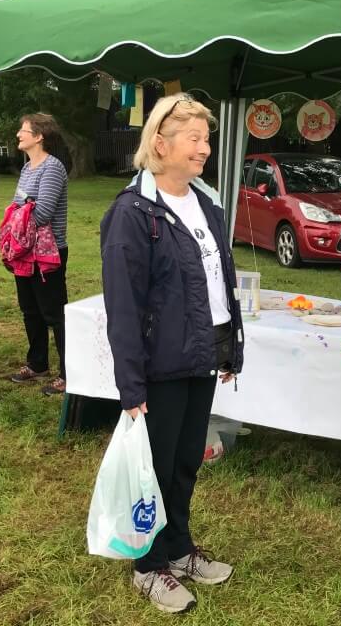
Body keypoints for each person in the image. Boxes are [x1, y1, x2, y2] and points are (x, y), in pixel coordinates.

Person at [100, 93, 244, 614]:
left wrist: (228, 348)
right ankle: (148, 565)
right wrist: (131, 384)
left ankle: (179, 548)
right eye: (194, 138)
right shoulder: (132, 212)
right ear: (160, 144)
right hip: (160, 364)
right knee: (156, 469)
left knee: (185, 462)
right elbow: (123, 305)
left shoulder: (206, 204)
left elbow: (217, 283)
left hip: (201, 356)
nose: (205, 148)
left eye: (207, 139)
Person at [5, 113, 70, 395]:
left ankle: (69, 373)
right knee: (30, 310)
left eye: (24, 130)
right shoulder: (27, 168)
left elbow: (42, 213)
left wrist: (20, 212)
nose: (18, 134)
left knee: (54, 313)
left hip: (48, 253)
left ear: (39, 136)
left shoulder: (52, 168)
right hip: (24, 251)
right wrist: (22, 209)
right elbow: (16, 206)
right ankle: (37, 363)